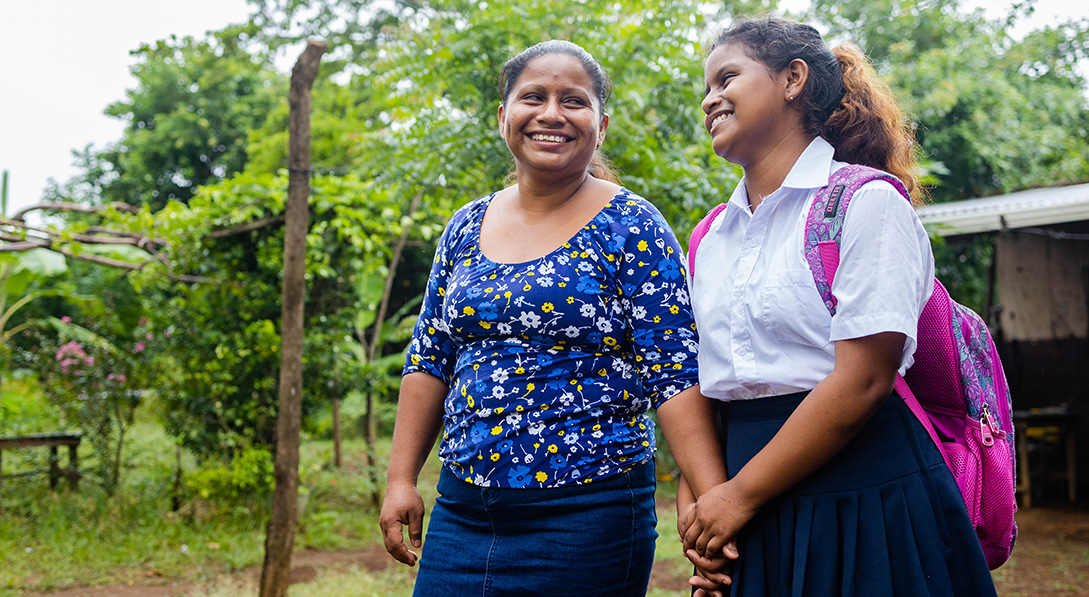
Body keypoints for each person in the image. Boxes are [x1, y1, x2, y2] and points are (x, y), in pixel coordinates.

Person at [379, 39, 726, 597]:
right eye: (533, 97)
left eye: (574, 101)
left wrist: (713, 513)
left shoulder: (630, 224)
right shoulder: (466, 225)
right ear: (503, 116)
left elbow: (676, 374)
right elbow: (430, 357)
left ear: (601, 124)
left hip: (588, 515)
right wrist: (400, 480)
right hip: (462, 512)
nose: (551, 114)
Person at [677, 16, 998, 597]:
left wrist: (737, 497)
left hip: (864, 491)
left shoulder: (866, 203)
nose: (710, 99)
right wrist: (702, 509)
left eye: (727, 77)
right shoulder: (710, 239)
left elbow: (864, 379)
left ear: (793, 79)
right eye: (706, 87)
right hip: (742, 504)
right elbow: (708, 386)